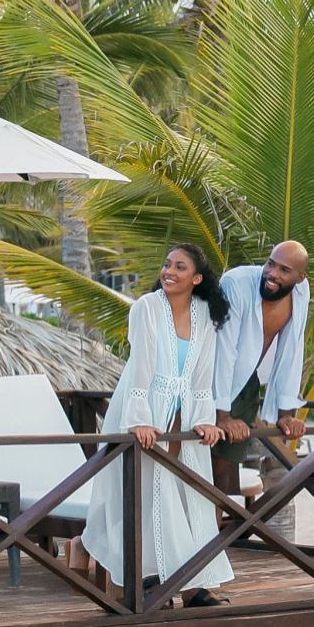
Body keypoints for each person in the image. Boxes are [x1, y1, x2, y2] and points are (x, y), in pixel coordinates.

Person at [86, 243, 235, 607]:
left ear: (197, 279)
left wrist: (206, 420)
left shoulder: (205, 315)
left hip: (184, 414)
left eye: (180, 267)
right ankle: (151, 581)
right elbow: (141, 367)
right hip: (145, 407)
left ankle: (195, 584)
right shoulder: (147, 308)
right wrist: (139, 420)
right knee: (150, 493)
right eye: (167, 264)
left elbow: (203, 376)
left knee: (190, 494)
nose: (169, 271)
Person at [212, 240, 311, 461]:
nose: (272, 274)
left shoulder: (301, 293)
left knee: (229, 464)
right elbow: (224, 350)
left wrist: (286, 414)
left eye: (284, 270)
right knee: (203, 465)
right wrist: (223, 415)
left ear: (300, 277)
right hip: (211, 383)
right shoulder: (236, 283)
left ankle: (229, 498)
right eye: (270, 263)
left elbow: (292, 350)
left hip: (248, 384)